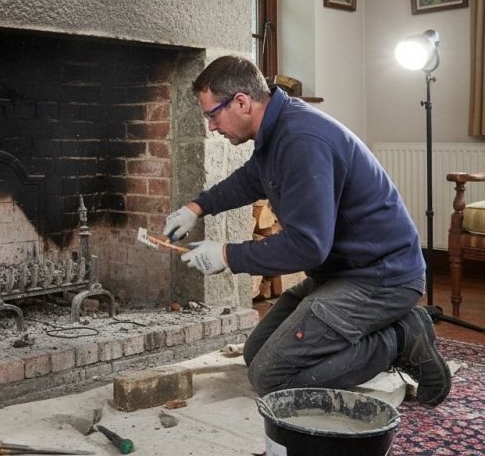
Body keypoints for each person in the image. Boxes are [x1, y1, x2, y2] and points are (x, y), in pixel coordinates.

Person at [163, 55, 451, 406]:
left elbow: (307, 247)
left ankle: (401, 338)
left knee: (270, 377)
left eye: (212, 114)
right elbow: (252, 178)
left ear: (241, 102)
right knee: (257, 354)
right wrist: (197, 207)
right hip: (341, 273)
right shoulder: (279, 127)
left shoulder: (302, 140)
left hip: (380, 278)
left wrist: (227, 255)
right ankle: (376, 333)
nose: (210, 126)